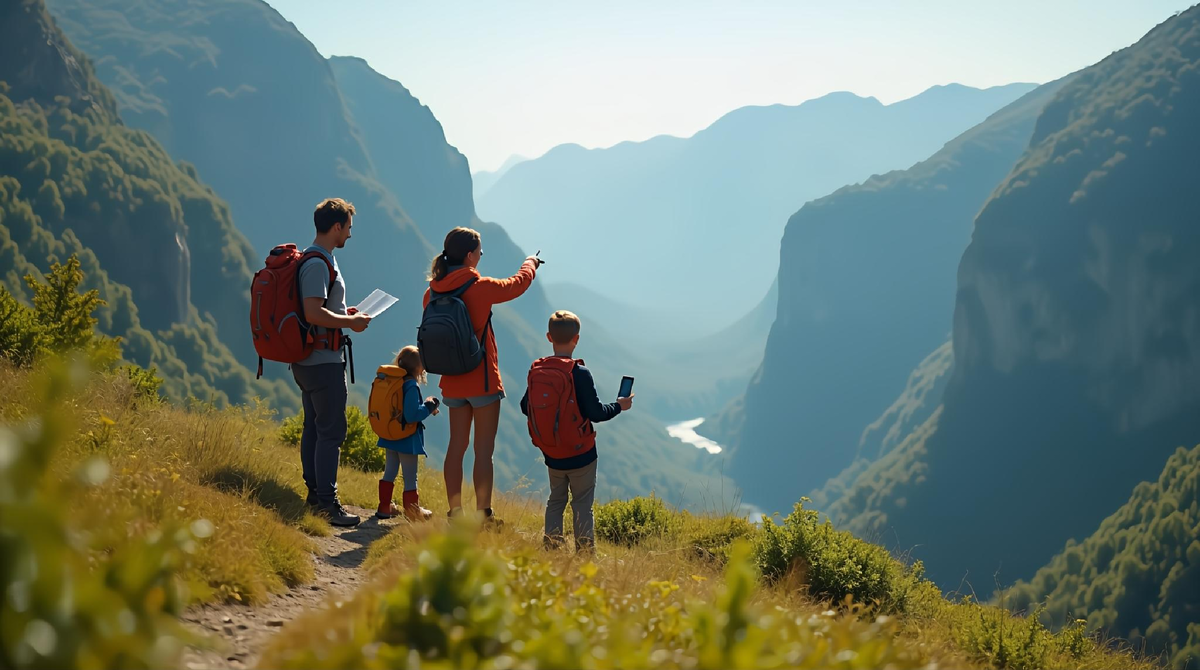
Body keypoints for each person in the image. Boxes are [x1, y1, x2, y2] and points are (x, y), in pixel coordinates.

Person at [423, 227, 540, 524]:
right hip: (482, 380)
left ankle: (454, 513)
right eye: (480, 252)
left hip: (451, 381)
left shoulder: (432, 291)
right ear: (470, 255)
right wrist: (531, 263)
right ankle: (483, 516)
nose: (481, 256)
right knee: (483, 452)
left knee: (456, 447)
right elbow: (517, 284)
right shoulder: (480, 287)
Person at [520, 310, 634, 551]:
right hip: (581, 453)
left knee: (556, 500)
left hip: (551, 453)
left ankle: (551, 548)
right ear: (577, 339)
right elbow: (597, 413)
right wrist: (620, 406)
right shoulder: (579, 373)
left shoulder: (537, 370)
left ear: (549, 337)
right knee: (582, 504)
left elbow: (525, 406)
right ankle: (583, 555)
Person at [293, 198, 371, 527]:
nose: (350, 234)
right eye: (349, 227)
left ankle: (315, 494)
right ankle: (327, 503)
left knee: (315, 426)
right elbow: (312, 312)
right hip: (321, 362)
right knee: (331, 432)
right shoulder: (317, 263)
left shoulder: (323, 260)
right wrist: (348, 323)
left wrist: (344, 314)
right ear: (336, 226)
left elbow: (322, 309)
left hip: (313, 359)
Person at [375, 346, 439, 521]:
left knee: (389, 472)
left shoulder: (395, 382)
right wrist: (429, 406)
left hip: (390, 435)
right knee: (411, 477)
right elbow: (412, 415)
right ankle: (412, 512)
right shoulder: (411, 386)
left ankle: (384, 507)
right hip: (406, 439)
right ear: (419, 368)